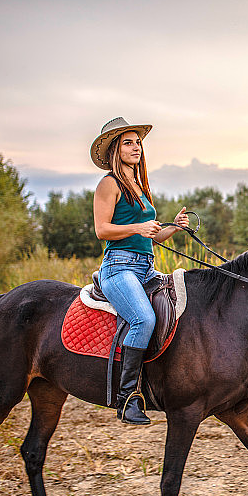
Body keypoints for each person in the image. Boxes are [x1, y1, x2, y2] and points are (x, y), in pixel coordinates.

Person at [91, 117, 189, 424]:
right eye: (128, 143)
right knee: (143, 318)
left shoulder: (141, 187)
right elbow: (102, 230)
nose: (136, 148)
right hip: (119, 267)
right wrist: (139, 226)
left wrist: (173, 226)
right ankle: (127, 398)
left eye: (138, 142)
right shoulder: (110, 184)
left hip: (146, 267)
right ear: (115, 151)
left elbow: (152, 237)